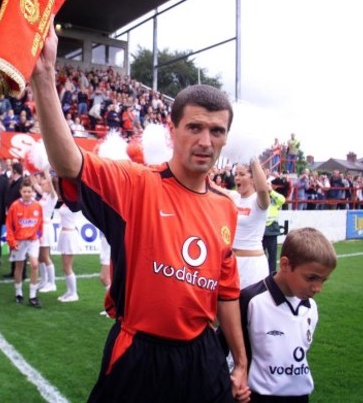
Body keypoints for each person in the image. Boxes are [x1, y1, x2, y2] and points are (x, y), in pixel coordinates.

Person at [30, 23, 250, 403]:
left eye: (216, 131)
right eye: (194, 127)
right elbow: (70, 163)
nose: (205, 141)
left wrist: (241, 362)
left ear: (226, 136)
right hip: (139, 354)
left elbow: (227, 293)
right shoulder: (135, 184)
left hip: (203, 356)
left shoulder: (225, 206)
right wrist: (45, 76)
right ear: (173, 128)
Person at [240, 227, 337, 403]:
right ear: (285, 265)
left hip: (300, 397)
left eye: (323, 280)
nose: (318, 288)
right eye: (311, 278)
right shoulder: (251, 299)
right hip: (258, 397)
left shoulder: (311, 307)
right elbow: (221, 350)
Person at [228, 158, 271, 290]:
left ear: (253, 179)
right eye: (236, 174)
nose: (237, 178)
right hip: (232, 263)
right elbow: (211, 187)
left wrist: (253, 159)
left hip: (252, 265)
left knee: (249, 308)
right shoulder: (234, 197)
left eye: (242, 174)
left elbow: (263, 190)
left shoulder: (258, 201)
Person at [5, 178, 43, 307]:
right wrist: (12, 241)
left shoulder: (37, 205)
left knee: (34, 265)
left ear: (33, 192)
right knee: (19, 266)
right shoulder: (15, 206)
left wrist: (38, 234)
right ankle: (18, 292)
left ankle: (33, 295)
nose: (27, 194)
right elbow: (9, 225)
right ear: (20, 192)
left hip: (32, 240)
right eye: (25, 191)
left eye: (29, 191)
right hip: (19, 240)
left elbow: (40, 223)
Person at [31, 169, 58, 293]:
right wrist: (30, 168)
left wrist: (46, 170)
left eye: (45, 182)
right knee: (41, 256)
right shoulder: (44, 195)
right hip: (39, 228)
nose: (42, 183)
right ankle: (43, 280)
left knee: (46, 257)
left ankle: (52, 283)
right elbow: (34, 183)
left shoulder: (53, 196)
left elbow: (50, 184)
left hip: (46, 228)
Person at [56, 202, 81, 302]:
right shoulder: (65, 202)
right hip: (64, 234)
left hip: (70, 235)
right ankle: (69, 291)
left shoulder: (74, 203)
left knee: (67, 266)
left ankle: (74, 293)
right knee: (65, 267)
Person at [262, 184, 286, 274]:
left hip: (272, 230)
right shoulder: (258, 196)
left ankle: (271, 274)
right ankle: (261, 273)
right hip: (261, 230)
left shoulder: (274, 197)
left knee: (272, 256)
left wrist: (271, 191)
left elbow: (282, 200)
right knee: (260, 256)